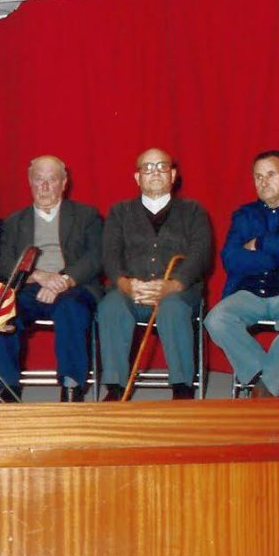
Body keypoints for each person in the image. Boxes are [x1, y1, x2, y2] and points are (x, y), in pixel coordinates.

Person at [98, 148, 212, 400]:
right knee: (111, 306)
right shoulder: (119, 212)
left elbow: (200, 254)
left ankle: (182, 388)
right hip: (130, 291)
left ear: (173, 175)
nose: (155, 172)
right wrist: (126, 284)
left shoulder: (193, 211)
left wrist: (173, 285)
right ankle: (115, 388)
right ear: (137, 177)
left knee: (172, 308)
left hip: (177, 293)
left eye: (162, 167)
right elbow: (110, 255)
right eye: (147, 168)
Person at [0, 156, 103, 402]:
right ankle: (6, 388)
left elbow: (96, 256)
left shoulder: (86, 215)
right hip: (31, 286)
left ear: (63, 183)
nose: (44, 187)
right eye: (38, 180)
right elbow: (4, 263)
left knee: (71, 308)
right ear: (29, 182)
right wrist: (37, 276)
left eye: (51, 180)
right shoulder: (14, 221)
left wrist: (64, 280)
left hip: (73, 286)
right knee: (4, 308)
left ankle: (71, 385)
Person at [204, 150, 279, 398]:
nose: (264, 182)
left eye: (271, 174)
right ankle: (268, 378)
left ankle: (265, 391)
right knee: (216, 319)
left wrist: (258, 244)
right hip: (250, 292)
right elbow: (231, 259)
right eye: (258, 177)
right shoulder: (244, 215)